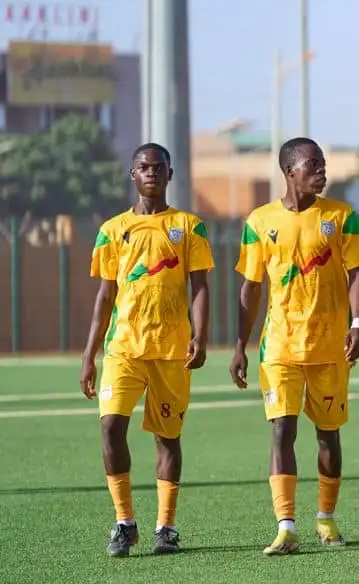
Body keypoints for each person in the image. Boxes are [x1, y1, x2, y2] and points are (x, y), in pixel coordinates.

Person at [230, 137, 359, 555]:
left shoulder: (342, 217)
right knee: (282, 430)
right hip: (279, 347)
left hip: (330, 345)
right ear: (290, 170)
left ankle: (326, 520)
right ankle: (286, 525)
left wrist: (358, 323)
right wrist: (241, 343)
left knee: (328, 435)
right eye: (313, 165)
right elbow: (250, 287)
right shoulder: (259, 221)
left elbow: (357, 274)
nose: (322, 171)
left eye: (324, 164)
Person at [79, 143, 213, 557]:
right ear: (131, 174)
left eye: (159, 167)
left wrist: (201, 335)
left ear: (170, 174)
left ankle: (165, 528)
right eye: (143, 167)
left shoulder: (189, 226)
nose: (151, 172)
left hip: (171, 349)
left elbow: (201, 286)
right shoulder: (112, 229)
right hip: (123, 348)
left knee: (166, 437)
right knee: (109, 426)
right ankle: (124, 522)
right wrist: (90, 353)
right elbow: (105, 295)